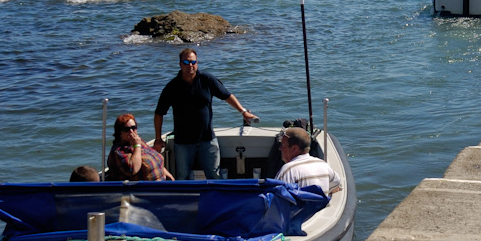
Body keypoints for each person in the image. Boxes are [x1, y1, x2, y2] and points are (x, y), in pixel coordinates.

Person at [153, 48, 257, 180]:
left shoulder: (207, 80)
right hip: (183, 142)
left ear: (197, 63)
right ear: (180, 64)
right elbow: (159, 113)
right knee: (182, 176)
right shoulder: (172, 87)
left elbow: (226, 95)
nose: (190, 65)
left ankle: (215, 200)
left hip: (207, 140)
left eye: (193, 62)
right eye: (186, 62)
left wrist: (243, 111)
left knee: (214, 175)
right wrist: (157, 138)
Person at [107, 113, 174, 181]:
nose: (131, 131)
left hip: (161, 183)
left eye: (133, 128)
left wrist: (165, 172)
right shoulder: (118, 151)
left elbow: (153, 155)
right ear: (119, 132)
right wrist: (137, 146)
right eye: (126, 129)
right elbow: (133, 169)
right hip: (142, 188)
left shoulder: (138, 141)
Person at [274, 127, 342, 194]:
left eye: (283, 145)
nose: (280, 148)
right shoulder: (324, 165)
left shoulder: (288, 170)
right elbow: (336, 185)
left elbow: (275, 199)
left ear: (294, 149)